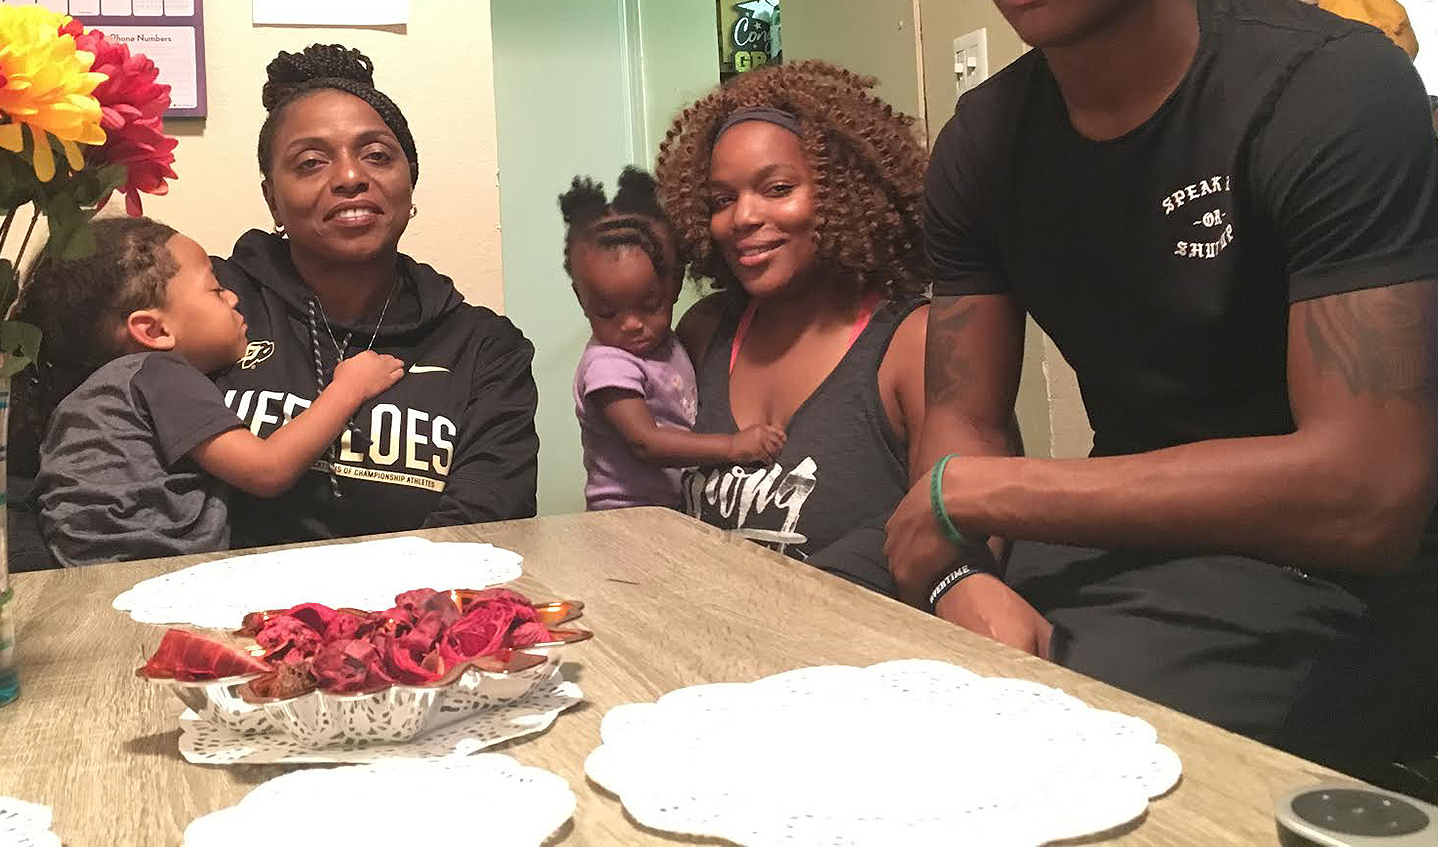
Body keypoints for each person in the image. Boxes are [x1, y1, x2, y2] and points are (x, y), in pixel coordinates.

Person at [892, 0, 1438, 777]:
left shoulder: (1330, 90)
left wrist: (980, 496)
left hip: (1341, 573)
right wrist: (952, 583)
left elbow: (1372, 493)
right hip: (1127, 537)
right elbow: (959, 420)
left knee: (1057, 757)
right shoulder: (983, 142)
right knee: (847, 651)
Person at [215, 43, 541, 545]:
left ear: (410, 183)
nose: (350, 177)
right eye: (310, 163)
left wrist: (370, 616)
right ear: (272, 199)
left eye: (377, 156)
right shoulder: (212, 304)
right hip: (218, 609)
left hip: (411, 611)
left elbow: (487, 518)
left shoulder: (484, 347)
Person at [658, 61, 931, 593]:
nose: (742, 218)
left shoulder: (911, 344)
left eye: (778, 188)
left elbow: (955, 547)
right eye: (722, 200)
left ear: (845, 193)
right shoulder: (705, 332)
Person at [15, 216, 404, 567]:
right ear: (154, 330)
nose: (234, 298)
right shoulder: (160, 375)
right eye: (216, 290)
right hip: (147, 574)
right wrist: (349, 387)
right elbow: (266, 469)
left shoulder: (92, 395)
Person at [562, 166, 785, 511]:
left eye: (650, 306)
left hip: (671, 512)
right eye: (608, 313)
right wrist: (734, 447)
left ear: (675, 284)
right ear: (580, 299)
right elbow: (646, 443)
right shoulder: (608, 365)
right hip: (625, 517)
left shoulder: (671, 343)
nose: (632, 324)